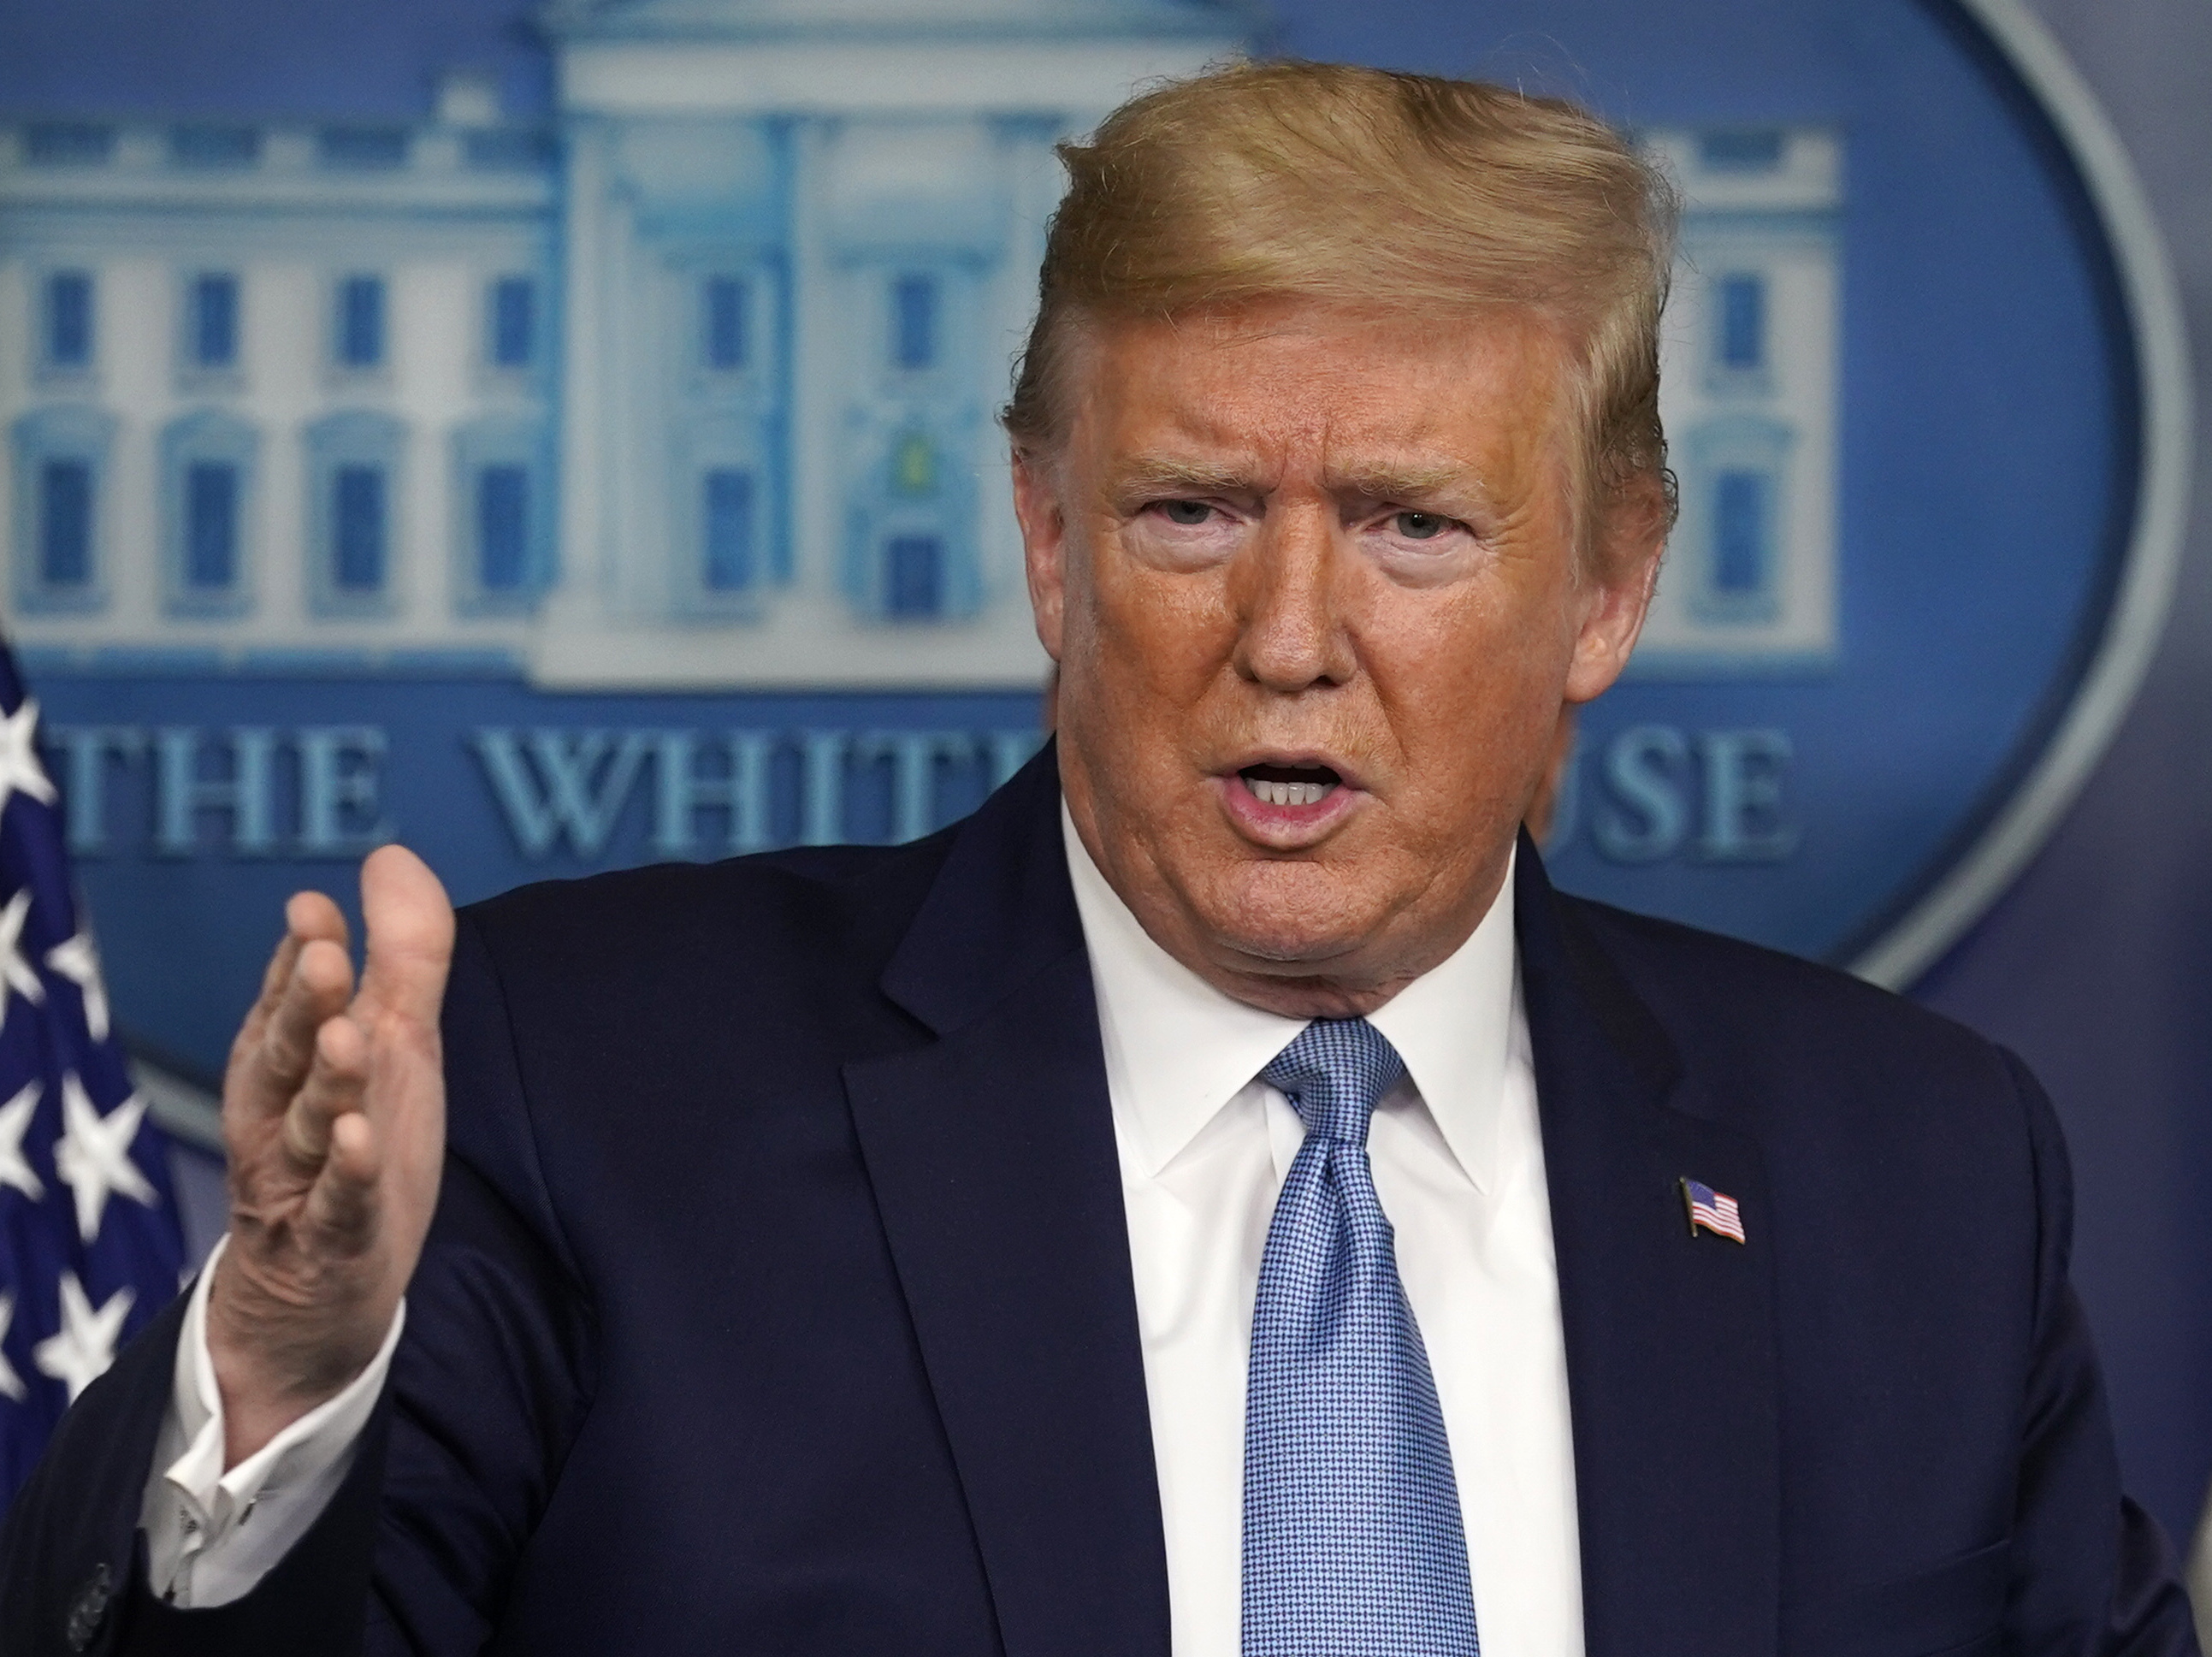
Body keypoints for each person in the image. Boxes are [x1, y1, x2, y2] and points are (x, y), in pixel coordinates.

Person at [0, 61, 2193, 1657]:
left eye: (1416, 526)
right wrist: (283, 1367)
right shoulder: (587, 1085)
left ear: (1610, 590)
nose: (1292, 639)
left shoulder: (1913, 1174)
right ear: (1051, 544)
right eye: (1194, 513)